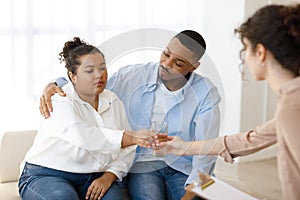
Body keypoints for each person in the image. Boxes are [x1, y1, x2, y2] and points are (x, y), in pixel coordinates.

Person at [39, 30, 221, 199]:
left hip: (183, 167)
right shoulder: (133, 76)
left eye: (178, 63)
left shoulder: (205, 93)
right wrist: (55, 84)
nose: (166, 64)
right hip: (142, 165)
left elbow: (207, 148)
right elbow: (89, 85)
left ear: (194, 67)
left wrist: (194, 191)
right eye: (166, 54)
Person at [158, 4, 300, 200]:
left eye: (245, 49)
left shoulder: (293, 106)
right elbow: (252, 139)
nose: (244, 58)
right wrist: (184, 147)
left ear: (260, 52)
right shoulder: (292, 99)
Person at [18, 37, 152, 200]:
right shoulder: (59, 100)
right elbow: (85, 137)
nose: (99, 75)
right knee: (63, 197)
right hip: (47, 174)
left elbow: (128, 149)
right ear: (72, 76)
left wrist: (109, 175)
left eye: (103, 68)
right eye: (90, 71)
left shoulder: (113, 100)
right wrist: (132, 137)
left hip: (94, 177)